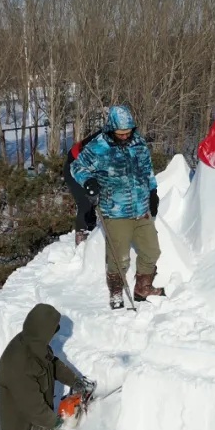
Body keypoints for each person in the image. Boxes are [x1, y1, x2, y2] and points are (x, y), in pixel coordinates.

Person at [69, 105, 164, 309]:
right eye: (120, 133)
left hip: (141, 208)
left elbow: (148, 171)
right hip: (115, 209)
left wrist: (153, 192)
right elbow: (77, 167)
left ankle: (142, 288)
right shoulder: (98, 147)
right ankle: (116, 293)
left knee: (152, 251)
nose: (125, 136)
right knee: (119, 257)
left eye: (128, 132)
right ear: (111, 129)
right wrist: (89, 182)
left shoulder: (138, 143)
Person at [63, 128, 101, 245]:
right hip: (73, 167)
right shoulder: (100, 141)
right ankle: (81, 238)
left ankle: (92, 230)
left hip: (89, 170)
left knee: (93, 201)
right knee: (84, 202)